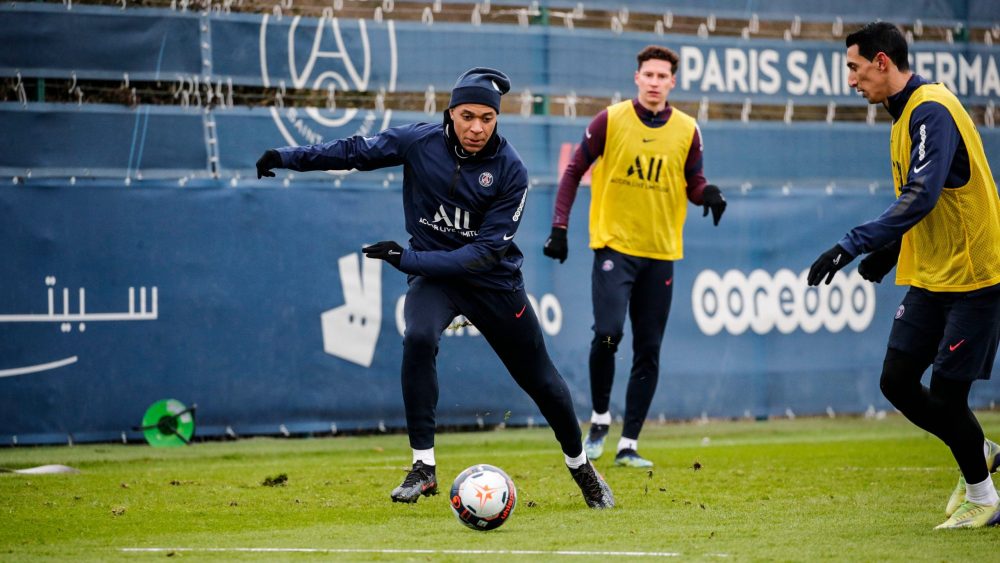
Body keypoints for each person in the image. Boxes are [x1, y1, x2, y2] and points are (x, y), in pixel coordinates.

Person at [255, 67, 614, 509]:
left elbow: (481, 255)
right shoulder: (419, 142)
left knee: (540, 380)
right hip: (434, 280)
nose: (477, 127)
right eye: (468, 116)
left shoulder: (511, 171)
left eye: (487, 118)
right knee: (419, 337)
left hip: (492, 283)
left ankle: (581, 468)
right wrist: (286, 156)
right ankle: (423, 467)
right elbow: (355, 151)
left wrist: (406, 259)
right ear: (451, 113)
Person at [807, 22, 1000, 529]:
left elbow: (925, 194)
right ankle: (978, 448)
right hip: (934, 275)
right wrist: (891, 251)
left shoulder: (930, 110)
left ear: (882, 62)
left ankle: (983, 496)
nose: (850, 79)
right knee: (896, 380)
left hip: (976, 275)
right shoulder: (903, 119)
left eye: (854, 67)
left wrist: (852, 244)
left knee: (948, 394)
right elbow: (926, 199)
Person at [542, 46, 727, 468]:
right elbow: (573, 171)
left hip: (660, 253)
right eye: (649, 74)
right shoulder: (611, 120)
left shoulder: (687, 129)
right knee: (608, 334)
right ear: (637, 77)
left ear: (672, 82)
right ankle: (600, 418)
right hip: (615, 246)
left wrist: (708, 194)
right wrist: (559, 227)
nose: (656, 81)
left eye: (664, 75)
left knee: (649, 349)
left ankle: (629, 444)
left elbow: (693, 182)